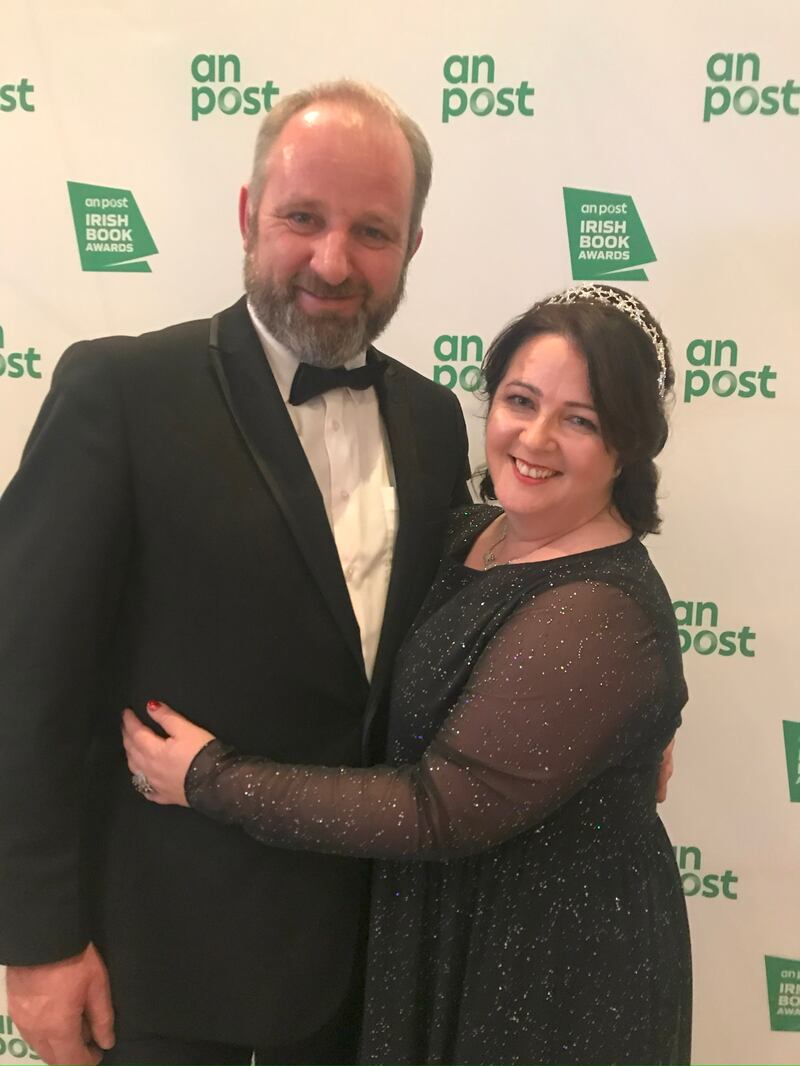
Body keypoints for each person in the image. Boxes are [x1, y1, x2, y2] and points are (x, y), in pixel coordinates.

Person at [0, 81, 471, 1065]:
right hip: (155, 969)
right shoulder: (121, 393)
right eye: (303, 217)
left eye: (372, 231)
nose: (331, 261)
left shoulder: (432, 422)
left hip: (361, 966)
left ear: (412, 247)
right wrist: (35, 943)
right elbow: (22, 680)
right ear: (250, 215)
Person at [124, 283, 692, 1066]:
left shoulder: (596, 612)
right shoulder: (474, 529)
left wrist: (210, 779)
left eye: (582, 420)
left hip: (539, 967)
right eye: (520, 400)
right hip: (445, 918)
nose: (535, 437)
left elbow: (439, 809)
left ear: (627, 444)